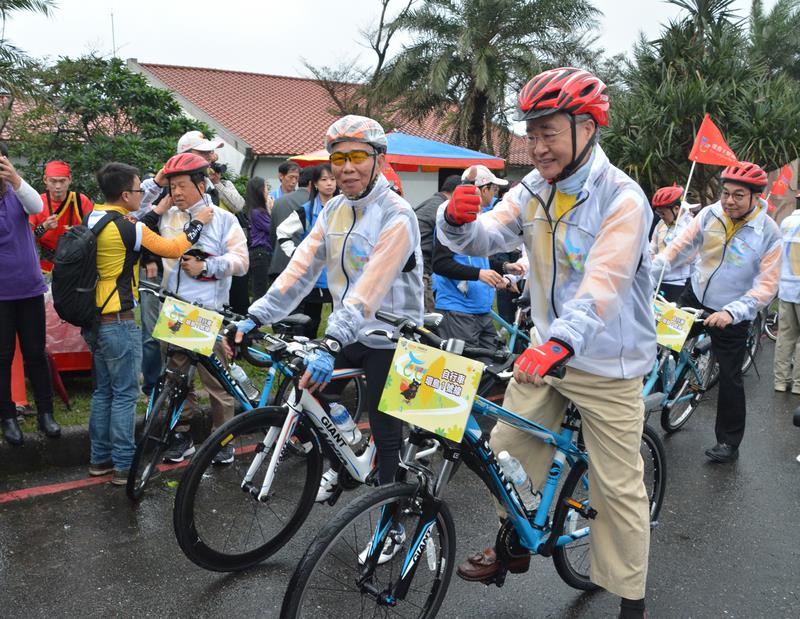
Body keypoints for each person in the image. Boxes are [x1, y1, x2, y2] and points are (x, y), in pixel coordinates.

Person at [438, 68, 654, 619]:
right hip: (546, 354)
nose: (536, 147)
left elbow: (603, 283)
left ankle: (631, 597)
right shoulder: (532, 189)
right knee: (503, 449)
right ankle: (516, 538)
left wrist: (558, 342)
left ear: (587, 127)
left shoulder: (623, 199)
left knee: (616, 488)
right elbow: (488, 233)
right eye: (530, 133)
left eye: (549, 132)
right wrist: (456, 221)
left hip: (606, 363)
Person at [229, 115, 423, 560]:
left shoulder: (397, 215)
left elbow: (370, 288)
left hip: (393, 333)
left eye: (358, 157)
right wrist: (254, 317)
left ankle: (391, 523)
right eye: (339, 159)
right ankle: (342, 459)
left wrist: (331, 341)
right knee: (315, 395)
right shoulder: (335, 209)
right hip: (348, 328)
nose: (347, 167)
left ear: (379, 160)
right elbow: (299, 272)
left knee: (386, 431)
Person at [82, 162, 212, 484]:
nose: (143, 194)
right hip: (119, 319)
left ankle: (99, 460)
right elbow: (173, 247)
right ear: (126, 194)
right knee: (125, 394)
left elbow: (141, 220)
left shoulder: (93, 218)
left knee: (103, 393)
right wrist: (197, 222)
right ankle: (125, 466)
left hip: (94, 319)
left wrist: (155, 205)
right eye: (139, 189)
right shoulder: (130, 227)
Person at [652, 161, 780, 463]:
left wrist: (733, 312)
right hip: (694, 295)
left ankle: (728, 442)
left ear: (755, 197)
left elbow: (767, 285)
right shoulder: (710, 214)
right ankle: (665, 389)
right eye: (725, 193)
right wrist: (653, 269)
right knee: (661, 342)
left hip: (733, 310)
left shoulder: (768, 232)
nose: (729, 201)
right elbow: (680, 247)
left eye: (738, 195)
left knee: (731, 376)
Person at [148, 153, 249, 465]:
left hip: (206, 312)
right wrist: (157, 189)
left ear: (202, 184)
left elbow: (242, 263)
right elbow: (138, 216)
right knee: (176, 381)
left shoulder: (223, 219)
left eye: (182, 186)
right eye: (172, 186)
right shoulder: (168, 216)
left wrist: (208, 266)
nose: (176, 192)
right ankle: (181, 435)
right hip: (175, 311)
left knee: (217, 384)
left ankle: (223, 437)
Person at [0, 143, 61, 446]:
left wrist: (14, 178)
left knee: (36, 353)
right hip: (1, 295)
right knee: (3, 356)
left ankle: (46, 414)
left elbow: (37, 207)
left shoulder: (18, 194)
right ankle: (8, 417)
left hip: (29, 288)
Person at [276, 163, 338, 338]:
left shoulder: (346, 209)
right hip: (313, 276)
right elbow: (282, 231)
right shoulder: (307, 210)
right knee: (312, 319)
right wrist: (297, 254)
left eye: (333, 179)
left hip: (339, 275)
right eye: (324, 179)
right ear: (315, 184)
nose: (329, 184)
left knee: (340, 319)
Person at [29, 160, 93, 274]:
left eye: (62, 181)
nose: (58, 186)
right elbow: (27, 239)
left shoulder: (81, 201)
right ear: (45, 180)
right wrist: (44, 227)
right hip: (45, 265)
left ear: (70, 180)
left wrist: (77, 231)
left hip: (76, 264)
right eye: (53, 181)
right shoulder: (36, 202)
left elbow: (94, 233)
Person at [413, 174, 461, 311]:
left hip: (412, 263)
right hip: (421, 269)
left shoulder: (429, 202)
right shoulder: (444, 209)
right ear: (457, 192)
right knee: (426, 321)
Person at [267, 166, 314, 285]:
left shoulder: (278, 202)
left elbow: (272, 234)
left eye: (296, 178)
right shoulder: (315, 202)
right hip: (303, 264)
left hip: (278, 263)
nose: (293, 181)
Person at [649, 185, 693, 303]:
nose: (661, 217)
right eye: (659, 214)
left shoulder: (690, 226)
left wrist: (659, 258)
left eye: (663, 213)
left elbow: (689, 257)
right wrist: (649, 255)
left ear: (677, 208)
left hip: (678, 284)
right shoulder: (661, 224)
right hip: (656, 280)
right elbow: (652, 245)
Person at [774, 198, 800, 393]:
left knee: (785, 337)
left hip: (786, 287)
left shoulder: (786, 222)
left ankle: (781, 381)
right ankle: (799, 384)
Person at [245, 176, 274, 300]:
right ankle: (255, 317)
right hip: (260, 253)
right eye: (266, 188)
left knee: (260, 289)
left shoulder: (255, 210)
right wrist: (271, 210)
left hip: (259, 254)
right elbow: (272, 229)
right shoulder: (258, 212)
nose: (267, 192)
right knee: (260, 292)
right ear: (259, 191)